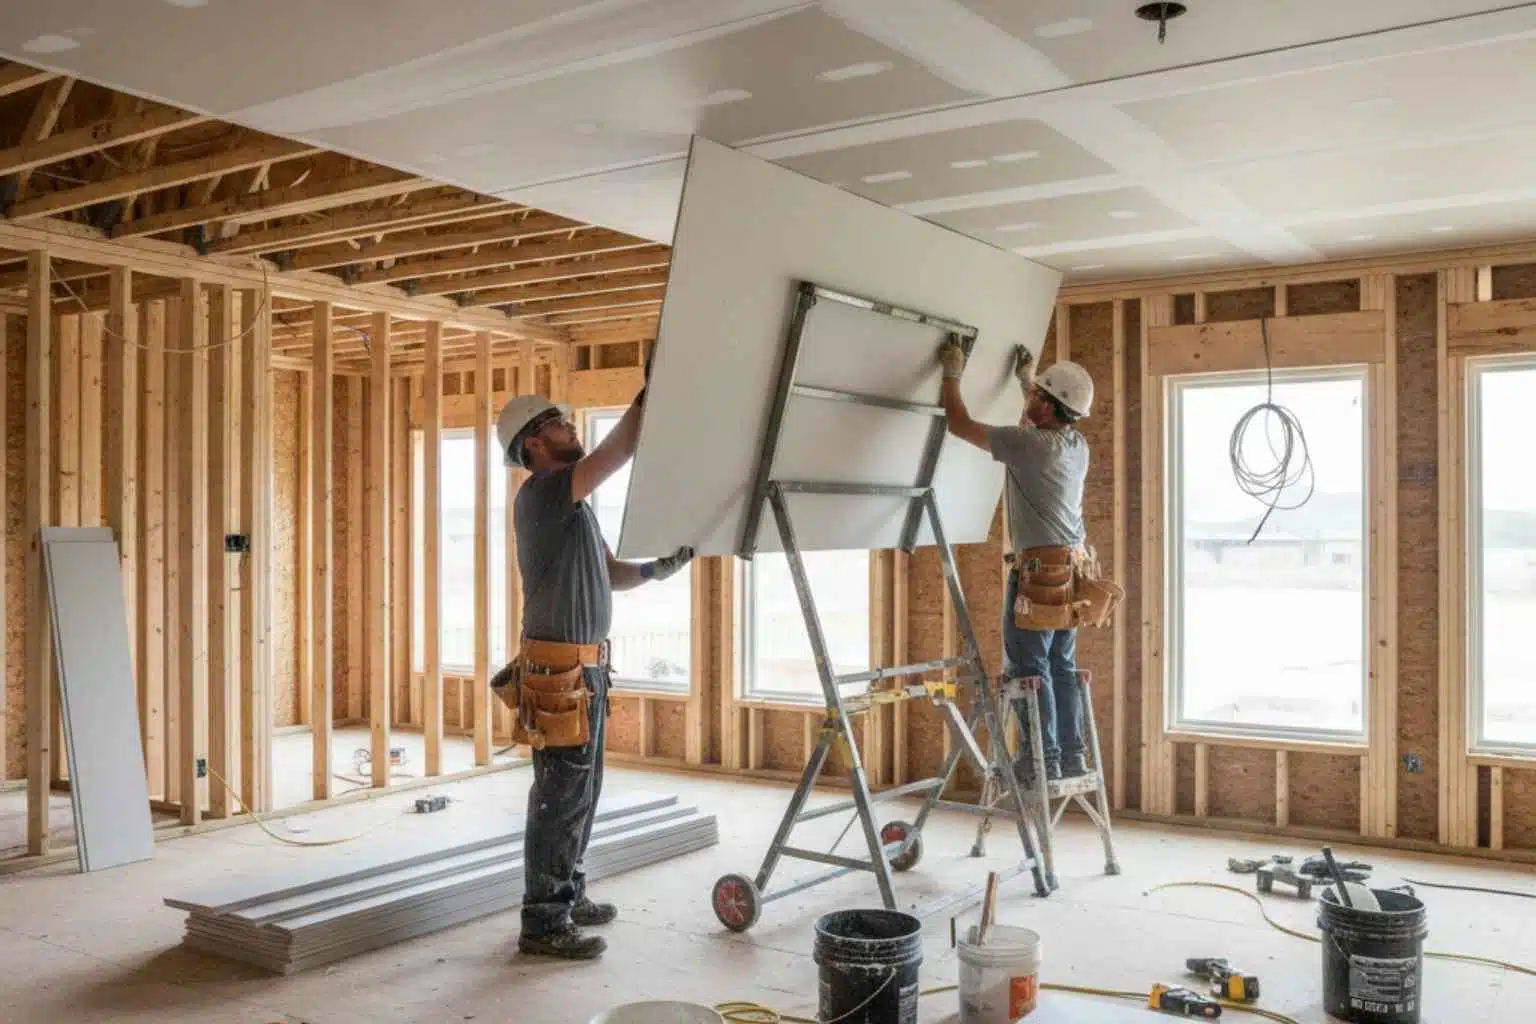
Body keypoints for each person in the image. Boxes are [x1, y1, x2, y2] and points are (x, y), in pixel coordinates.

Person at [494, 385, 693, 960]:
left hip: (586, 672)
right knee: (559, 795)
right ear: (534, 443)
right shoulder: (542, 495)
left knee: (582, 791)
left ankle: (569, 893)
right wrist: (649, 394)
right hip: (557, 673)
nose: (570, 424)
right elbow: (617, 451)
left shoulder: (574, 508)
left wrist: (657, 569)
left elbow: (611, 575)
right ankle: (543, 921)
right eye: (557, 421)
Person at [936, 340, 1095, 782]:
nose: (1032, 402)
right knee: (1060, 665)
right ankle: (1071, 755)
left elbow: (959, 424)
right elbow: (1036, 419)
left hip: (1039, 576)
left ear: (1049, 406)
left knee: (1028, 668)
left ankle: (1037, 758)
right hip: (1072, 572)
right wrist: (1029, 381)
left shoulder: (1029, 446)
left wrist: (952, 373)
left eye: (1039, 396)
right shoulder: (1076, 444)